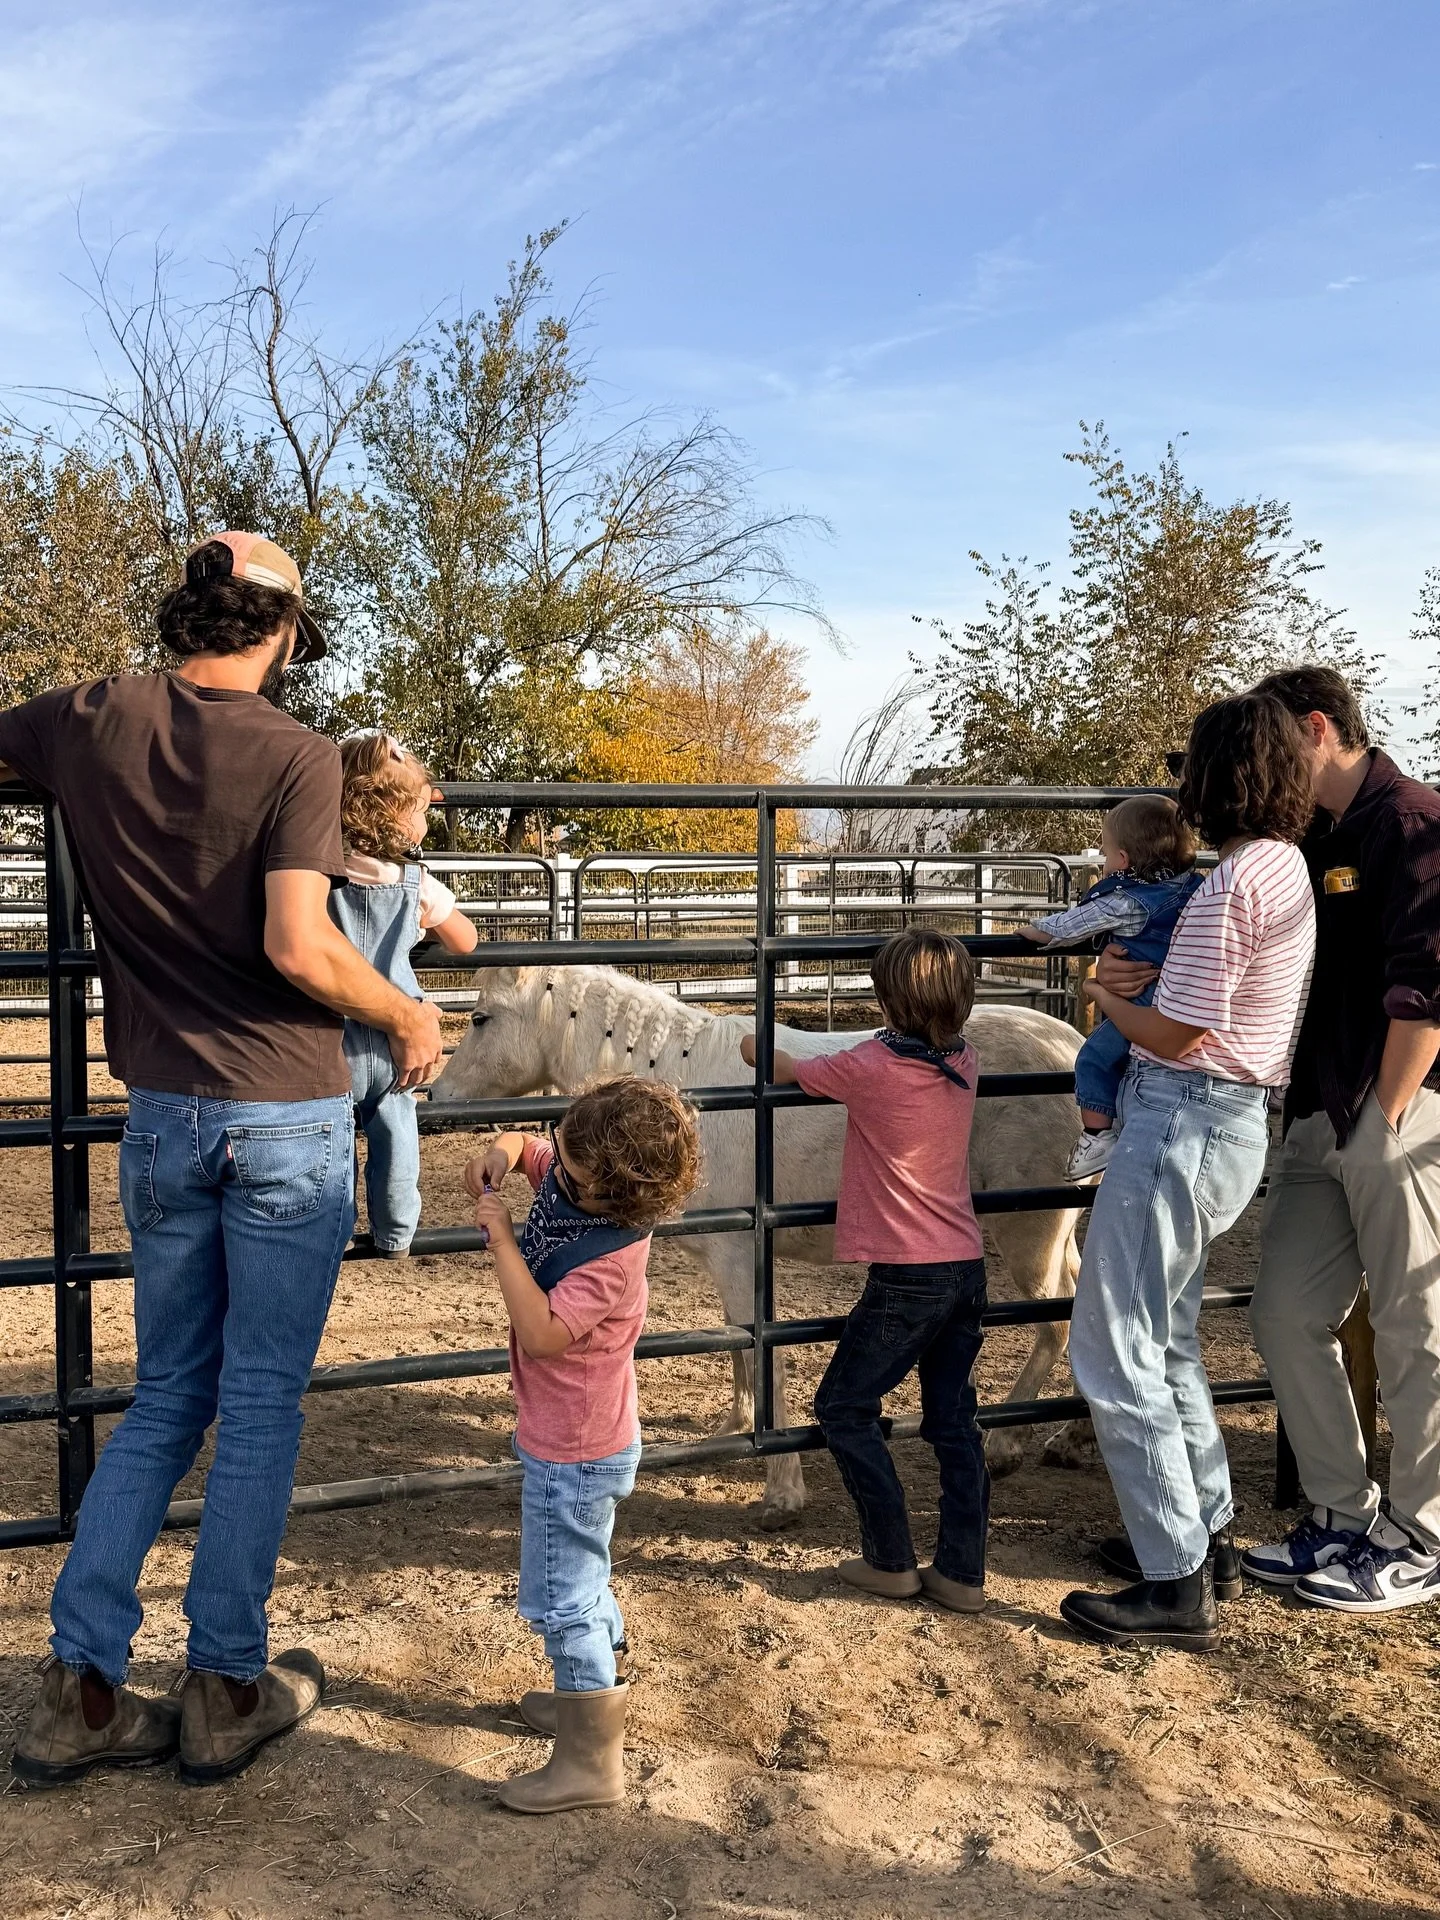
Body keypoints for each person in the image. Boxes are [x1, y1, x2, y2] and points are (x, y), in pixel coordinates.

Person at [6, 533, 445, 1788]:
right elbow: (301, 947)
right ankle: (225, 1686)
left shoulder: (85, 719)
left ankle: (80, 1686)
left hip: (162, 1112)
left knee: (162, 1400)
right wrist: (407, 1015)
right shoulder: (298, 754)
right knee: (258, 1404)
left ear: (178, 619)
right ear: (288, 633)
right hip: (285, 1116)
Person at [1058, 693, 1316, 1650]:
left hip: (1182, 1114)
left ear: (1218, 779)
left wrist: (1104, 994)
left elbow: (1178, 1032)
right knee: (1164, 1335)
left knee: (1114, 1340)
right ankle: (1197, 1533)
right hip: (1229, 1120)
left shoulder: (1230, 886)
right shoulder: (1283, 868)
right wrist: (1148, 990)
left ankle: (1174, 1579)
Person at [1239, 666, 1440, 1611]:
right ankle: (1342, 1514)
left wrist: (1386, 1122)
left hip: (1394, 1107)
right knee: (1283, 1314)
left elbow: (1427, 984)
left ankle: (1424, 1532)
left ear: (1319, 728)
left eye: (1274, 738)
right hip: (1321, 1112)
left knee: (1415, 1324)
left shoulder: (1414, 825)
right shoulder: (1306, 839)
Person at [465, 1078, 702, 1814]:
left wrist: (502, 1239)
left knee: (561, 1597)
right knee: (584, 1581)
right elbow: (529, 1149)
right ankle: (588, 1695)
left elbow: (541, 1332)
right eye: (559, 1148)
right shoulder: (576, 1183)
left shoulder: (610, 1259)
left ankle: (589, 1759)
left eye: (565, 1164)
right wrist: (499, 1154)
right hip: (575, 1436)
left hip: (577, 1449)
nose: (552, 1164)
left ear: (609, 1189)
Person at [741, 926, 989, 1614]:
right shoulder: (964, 1060)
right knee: (954, 1422)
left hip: (907, 1273)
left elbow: (777, 1063)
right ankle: (963, 1571)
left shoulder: (868, 1067)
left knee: (842, 1407)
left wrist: (749, 1042)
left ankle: (891, 1558)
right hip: (964, 1266)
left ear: (884, 1001)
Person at [332, 731, 479, 1256]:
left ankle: (335, 1226)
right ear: (401, 817)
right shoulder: (417, 882)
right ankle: (396, 1231)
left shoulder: (322, 877)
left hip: (334, 1037)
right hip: (402, 1044)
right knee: (397, 1137)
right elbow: (466, 940)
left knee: (335, 1136)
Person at [1019, 795, 1203, 1179]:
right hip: (1177, 990)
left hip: (1144, 998)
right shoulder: (1194, 886)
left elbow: (1072, 925)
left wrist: (1032, 931)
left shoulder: (1127, 901)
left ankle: (1097, 1135)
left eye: (1105, 853)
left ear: (1122, 860)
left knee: (1093, 1057)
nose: (1104, 863)